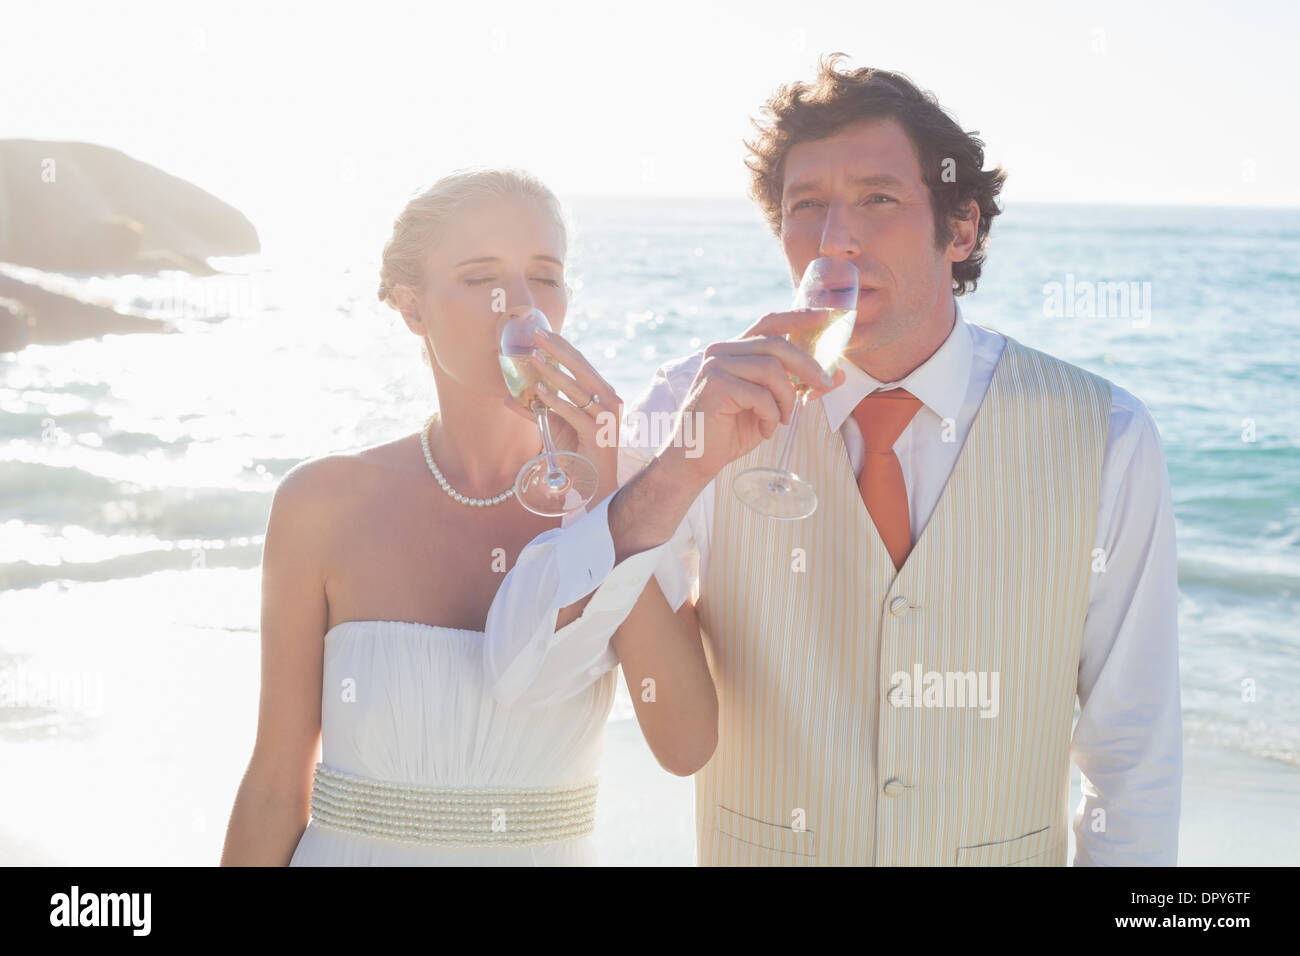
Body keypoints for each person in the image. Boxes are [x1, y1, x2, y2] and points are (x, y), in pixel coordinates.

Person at [489, 54, 1182, 866]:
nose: (835, 240)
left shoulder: (1107, 434)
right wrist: (677, 471)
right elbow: (525, 676)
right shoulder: (693, 402)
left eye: (878, 200)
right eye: (805, 207)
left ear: (961, 228)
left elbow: (1133, 752)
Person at [220, 167, 757, 865]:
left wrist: (598, 501)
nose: (520, 306)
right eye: (481, 278)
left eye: (545, 275)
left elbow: (685, 744)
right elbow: (273, 781)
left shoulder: (628, 498)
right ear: (412, 309)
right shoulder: (321, 504)